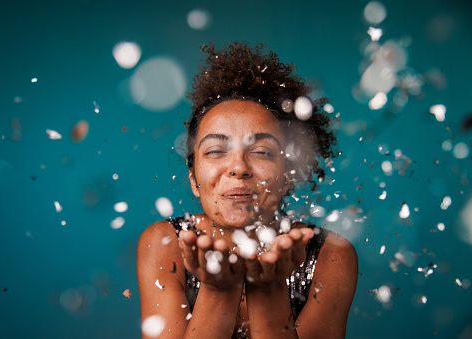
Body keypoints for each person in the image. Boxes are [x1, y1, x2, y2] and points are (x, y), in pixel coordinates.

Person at [137, 42, 358, 338]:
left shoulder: (331, 254)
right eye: (216, 150)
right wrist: (218, 291)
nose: (239, 167)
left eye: (262, 152)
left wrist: (268, 291)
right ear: (193, 178)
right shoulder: (164, 244)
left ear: (287, 176)